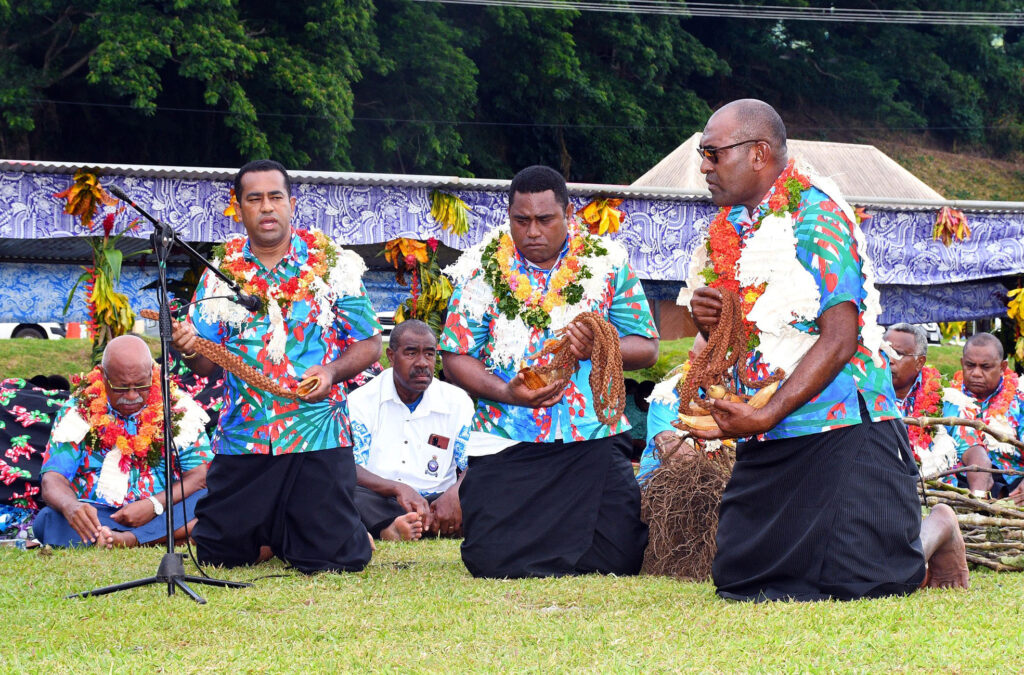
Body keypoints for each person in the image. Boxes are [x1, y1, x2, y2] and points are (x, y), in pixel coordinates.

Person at [685, 99, 968, 600]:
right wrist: (712, 316)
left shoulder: (817, 216)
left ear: (758, 153)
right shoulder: (726, 228)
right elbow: (737, 332)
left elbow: (841, 339)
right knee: (739, 581)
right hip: (771, 426)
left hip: (842, 423)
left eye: (712, 152)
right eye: (702, 154)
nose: (704, 166)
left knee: (864, 580)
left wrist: (765, 414)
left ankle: (938, 526)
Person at [440, 165, 659, 578]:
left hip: (591, 434)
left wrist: (602, 347)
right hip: (509, 437)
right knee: (490, 561)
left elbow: (647, 348)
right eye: (521, 221)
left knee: (622, 557)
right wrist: (507, 392)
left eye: (545, 219)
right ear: (508, 217)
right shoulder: (480, 268)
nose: (533, 232)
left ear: (568, 214)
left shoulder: (608, 262)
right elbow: (455, 356)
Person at [171, 159, 381, 573]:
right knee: (219, 554)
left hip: (316, 432)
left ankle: (336, 530)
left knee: (336, 560)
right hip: (245, 436)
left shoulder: (332, 264)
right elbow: (204, 366)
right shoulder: (219, 273)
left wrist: (332, 372)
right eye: (254, 199)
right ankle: (278, 532)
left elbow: (371, 343)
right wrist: (187, 348)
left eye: (275, 197)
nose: (266, 207)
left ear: (292, 204)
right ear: (239, 208)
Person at [34, 335, 212, 548]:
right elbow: (53, 478)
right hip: (102, 515)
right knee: (48, 520)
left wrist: (153, 504)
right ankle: (167, 537)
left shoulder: (177, 407)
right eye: (121, 387)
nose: (131, 395)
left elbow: (199, 476)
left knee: (211, 502)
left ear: (152, 373)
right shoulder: (79, 410)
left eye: (140, 385)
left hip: (165, 509)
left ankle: (128, 540)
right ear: (103, 375)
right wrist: (71, 507)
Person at [348, 320, 473, 541]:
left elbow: (473, 463)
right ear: (392, 356)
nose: (422, 363)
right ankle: (403, 526)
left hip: (438, 500)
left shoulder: (457, 401)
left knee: (486, 491)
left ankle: (396, 526)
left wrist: (453, 494)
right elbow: (350, 468)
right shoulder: (361, 400)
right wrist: (398, 489)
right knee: (343, 493)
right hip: (381, 498)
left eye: (429, 354)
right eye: (411, 353)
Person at [942, 333, 1024, 501]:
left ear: (1002, 367)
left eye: (985, 367)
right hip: (957, 482)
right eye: (970, 365)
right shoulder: (947, 399)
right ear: (961, 363)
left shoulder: (1020, 400)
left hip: (1011, 485)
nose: (976, 373)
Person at [884, 323, 956, 477]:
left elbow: (970, 448)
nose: (889, 359)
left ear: (919, 362)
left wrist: (979, 492)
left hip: (936, 493)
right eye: (883, 351)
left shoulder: (946, 400)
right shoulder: (861, 396)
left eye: (897, 353)